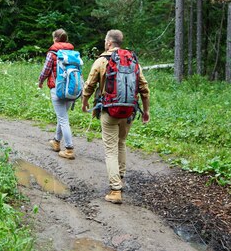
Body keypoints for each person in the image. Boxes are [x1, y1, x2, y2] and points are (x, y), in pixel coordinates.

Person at [81, 29, 150, 204]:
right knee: (121, 143)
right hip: (129, 111)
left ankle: (115, 190)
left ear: (109, 42)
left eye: (105, 40)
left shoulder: (102, 61)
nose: (105, 42)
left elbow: (89, 84)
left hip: (109, 111)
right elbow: (144, 88)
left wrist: (85, 101)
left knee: (110, 149)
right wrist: (146, 110)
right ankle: (121, 177)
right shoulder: (132, 61)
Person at [38, 28, 76, 159]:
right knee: (63, 117)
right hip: (71, 89)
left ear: (55, 39)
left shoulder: (53, 53)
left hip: (57, 89)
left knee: (63, 119)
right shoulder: (73, 53)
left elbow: (46, 70)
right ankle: (56, 142)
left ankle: (69, 149)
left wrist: (40, 81)